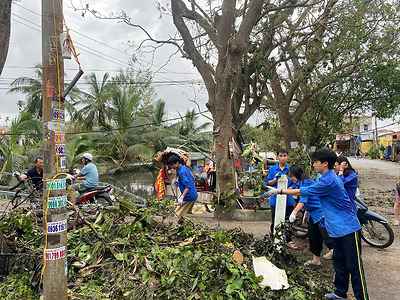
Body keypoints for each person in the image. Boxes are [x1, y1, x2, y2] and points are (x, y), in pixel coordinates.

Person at [265, 148, 368, 300]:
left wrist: (279, 192)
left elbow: (305, 191)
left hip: (348, 228)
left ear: (325, 163)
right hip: (336, 229)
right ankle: (340, 293)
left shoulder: (330, 181)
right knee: (339, 263)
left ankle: (362, 297)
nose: (313, 165)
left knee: (354, 266)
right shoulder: (325, 177)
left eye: (315, 162)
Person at [287, 165, 334, 266]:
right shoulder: (302, 182)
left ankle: (338, 258)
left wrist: (294, 212)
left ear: (296, 175)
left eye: (291, 176)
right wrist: (305, 215)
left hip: (320, 214)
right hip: (312, 213)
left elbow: (304, 200)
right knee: (313, 237)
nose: (291, 179)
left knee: (327, 236)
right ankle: (316, 260)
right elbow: (308, 200)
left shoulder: (306, 183)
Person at [265, 148, 297, 249]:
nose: (283, 158)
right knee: (275, 220)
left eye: (285, 156)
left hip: (288, 200)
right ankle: (273, 238)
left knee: (288, 221)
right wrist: (275, 179)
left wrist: (288, 190)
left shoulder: (291, 169)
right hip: (275, 199)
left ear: (287, 157)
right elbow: (268, 183)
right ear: (277, 157)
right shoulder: (272, 169)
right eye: (281, 156)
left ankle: (289, 240)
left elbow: (295, 183)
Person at [168, 155, 198, 224]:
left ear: (177, 163)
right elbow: (190, 179)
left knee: (177, 214)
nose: (172, 167)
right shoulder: (184, 168)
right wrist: (177, 182)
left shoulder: (181, 172)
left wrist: (182, 197)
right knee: (185, 214)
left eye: (172, 165)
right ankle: (184, 226)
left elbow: (188, 185)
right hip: (193, 193)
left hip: (188, 195)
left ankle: (175, 228)